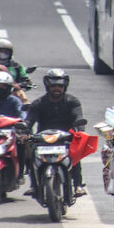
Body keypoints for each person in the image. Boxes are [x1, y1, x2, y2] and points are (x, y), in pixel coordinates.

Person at [25, 69, 86, 197]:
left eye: (60, 86)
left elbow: (78, 117)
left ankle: (78, 185)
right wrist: (24, 131)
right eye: (53, 86)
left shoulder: (73, 101)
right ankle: (34, 185)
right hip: (43, 139)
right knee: (29, 153)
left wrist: (80, 130)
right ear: (48, 86)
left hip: (66, 138)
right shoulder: (38, 103)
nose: (56, 89)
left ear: (65, 86)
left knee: (74, 155)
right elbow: (29, 120)